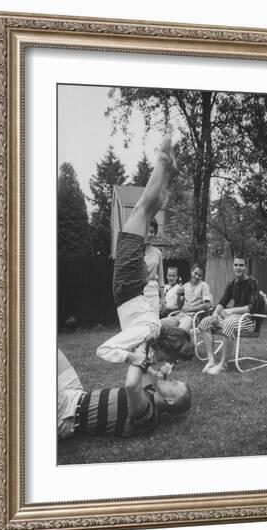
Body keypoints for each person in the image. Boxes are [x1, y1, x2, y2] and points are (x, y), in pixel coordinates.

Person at [96, 135, 193, 371]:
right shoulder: (147, 331)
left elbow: (146, 359)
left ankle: (167, 173)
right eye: (168, 359)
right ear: (164, 348)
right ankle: (162, 162)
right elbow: (103, 350)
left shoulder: (152, 334)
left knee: (147, 212)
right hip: (127, 286)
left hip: (134, 287)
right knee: (140, 209)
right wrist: (131, 359)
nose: (164, 363)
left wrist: (151, 369)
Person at [58, 349, 191, 439]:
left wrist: (141, 351)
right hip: (76, 394)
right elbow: (143, 366)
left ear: (170, 400)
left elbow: (132, 385)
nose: (171, 378)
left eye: (174, 384)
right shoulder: (150, 391)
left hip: (67, 414)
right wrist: (149, 344)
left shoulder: (149, 414)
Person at [199, 255, 259, 374]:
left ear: (246, 267)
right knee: (205, 322)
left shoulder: (252, 282)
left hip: (248, 320)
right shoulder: (232, 284)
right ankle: (211, 361)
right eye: (236, 265)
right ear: (233, 266)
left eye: (241, 265)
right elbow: (222, 302)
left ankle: (223, 365)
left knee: (228, 323)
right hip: (233, 319)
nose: (238, 267)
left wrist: (232, 310)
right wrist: (215, 313)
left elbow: (252, 307)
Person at [160, 263, 212, 333]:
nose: (197, 276)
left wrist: (190, 309)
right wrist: (178, 295)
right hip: (179, 315)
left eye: (200, 275)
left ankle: (180, 343)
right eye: (195, 273)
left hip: (191, 317)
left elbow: (207, 305)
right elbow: (180, 306)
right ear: (191, 272)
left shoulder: (204, 286)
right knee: (158, 324)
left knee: (180, 332)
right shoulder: (186, 286)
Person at [143, 218, 165, 317]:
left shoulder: (158, 253)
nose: (149, 234)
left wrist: (162, 299)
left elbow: (161, 278)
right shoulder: (136, 251)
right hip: (139, 292)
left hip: (153, 292)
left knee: (153, 323)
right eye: (146, 231)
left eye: (152, 231)